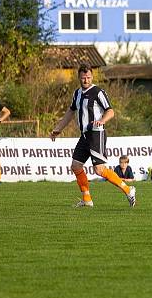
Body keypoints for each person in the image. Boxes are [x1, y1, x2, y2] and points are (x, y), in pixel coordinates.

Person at [50, 64, 136, 208]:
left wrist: (102, 121)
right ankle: (87, 199)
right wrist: (58, 129)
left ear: (92, 77)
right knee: (76, 166)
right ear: (79, 78)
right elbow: (71, 112)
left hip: (96, 135)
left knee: (99, 170)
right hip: (84, 136)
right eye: (83, 78)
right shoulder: (77, 93)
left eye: (88, 77)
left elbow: (110, 111)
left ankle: (129, 190)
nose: (86, 80)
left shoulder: (98, 92)